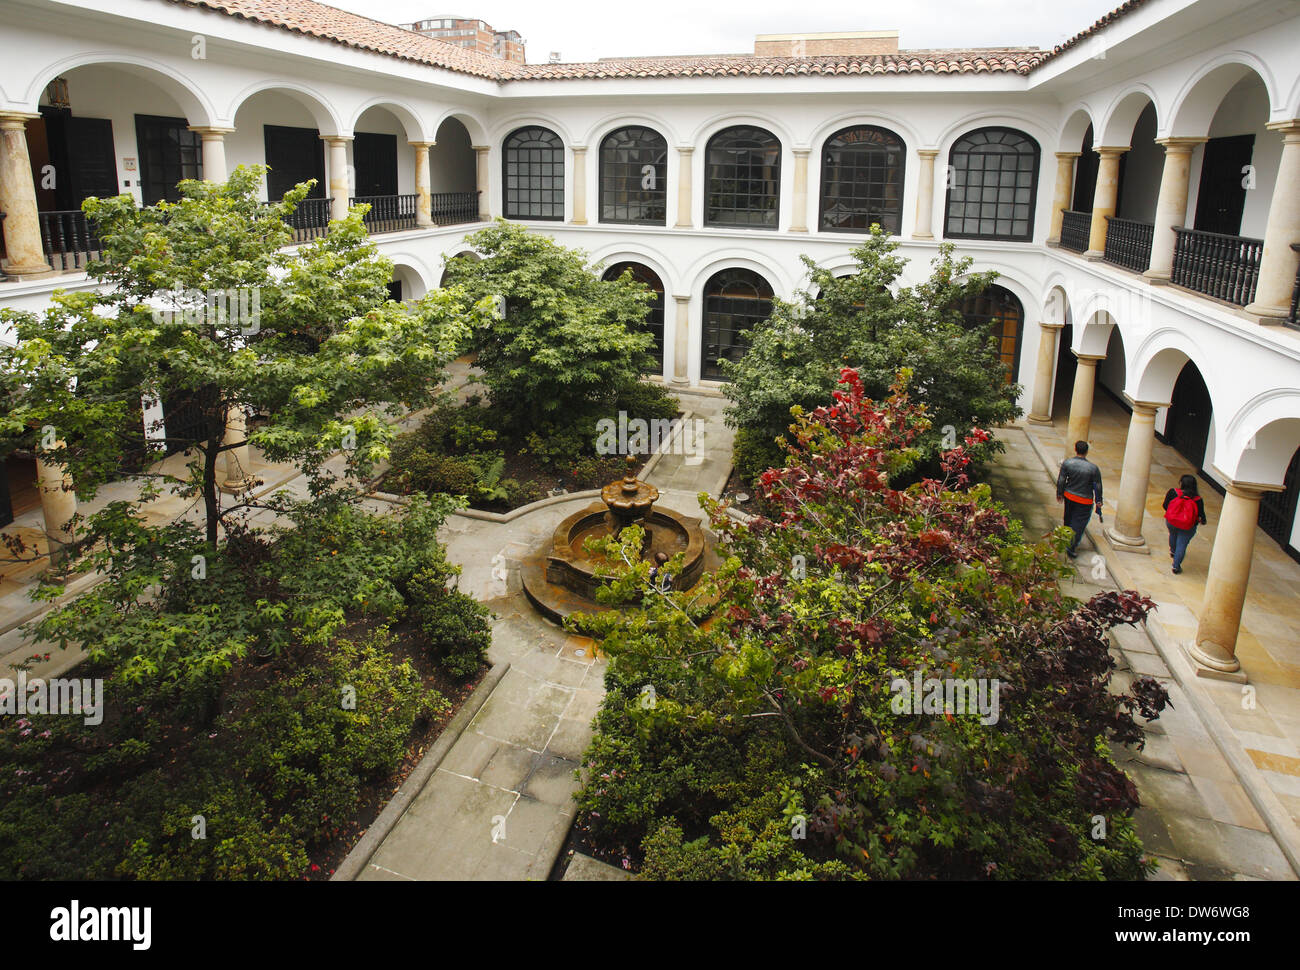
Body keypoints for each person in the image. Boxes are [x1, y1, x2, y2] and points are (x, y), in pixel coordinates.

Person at [1056, 440, 1103, 559]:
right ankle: (1071, 546)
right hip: (1085, 500)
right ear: (1087, 452)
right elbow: (1097, 486)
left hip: (1069, 496)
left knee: (1068, 517)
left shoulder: (1068, 463)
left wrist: (1059, 493)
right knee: (1078, 523)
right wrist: (1099, 501)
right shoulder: (1093, 468)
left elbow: (1061, 479)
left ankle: (1065, 539)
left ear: (1075, 449)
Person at [1163, 474, 1208, 575]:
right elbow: (1201, 514)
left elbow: (1165, 505)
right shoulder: (1198, 499)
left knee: (1173, 535)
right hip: (1188, 525)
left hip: (1172, 522)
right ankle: (1176, 566)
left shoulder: (1173, 492)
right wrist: (1203, 521)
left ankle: (1173, 551)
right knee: (1182, 544)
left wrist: (1174, 514)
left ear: (1181, 483)